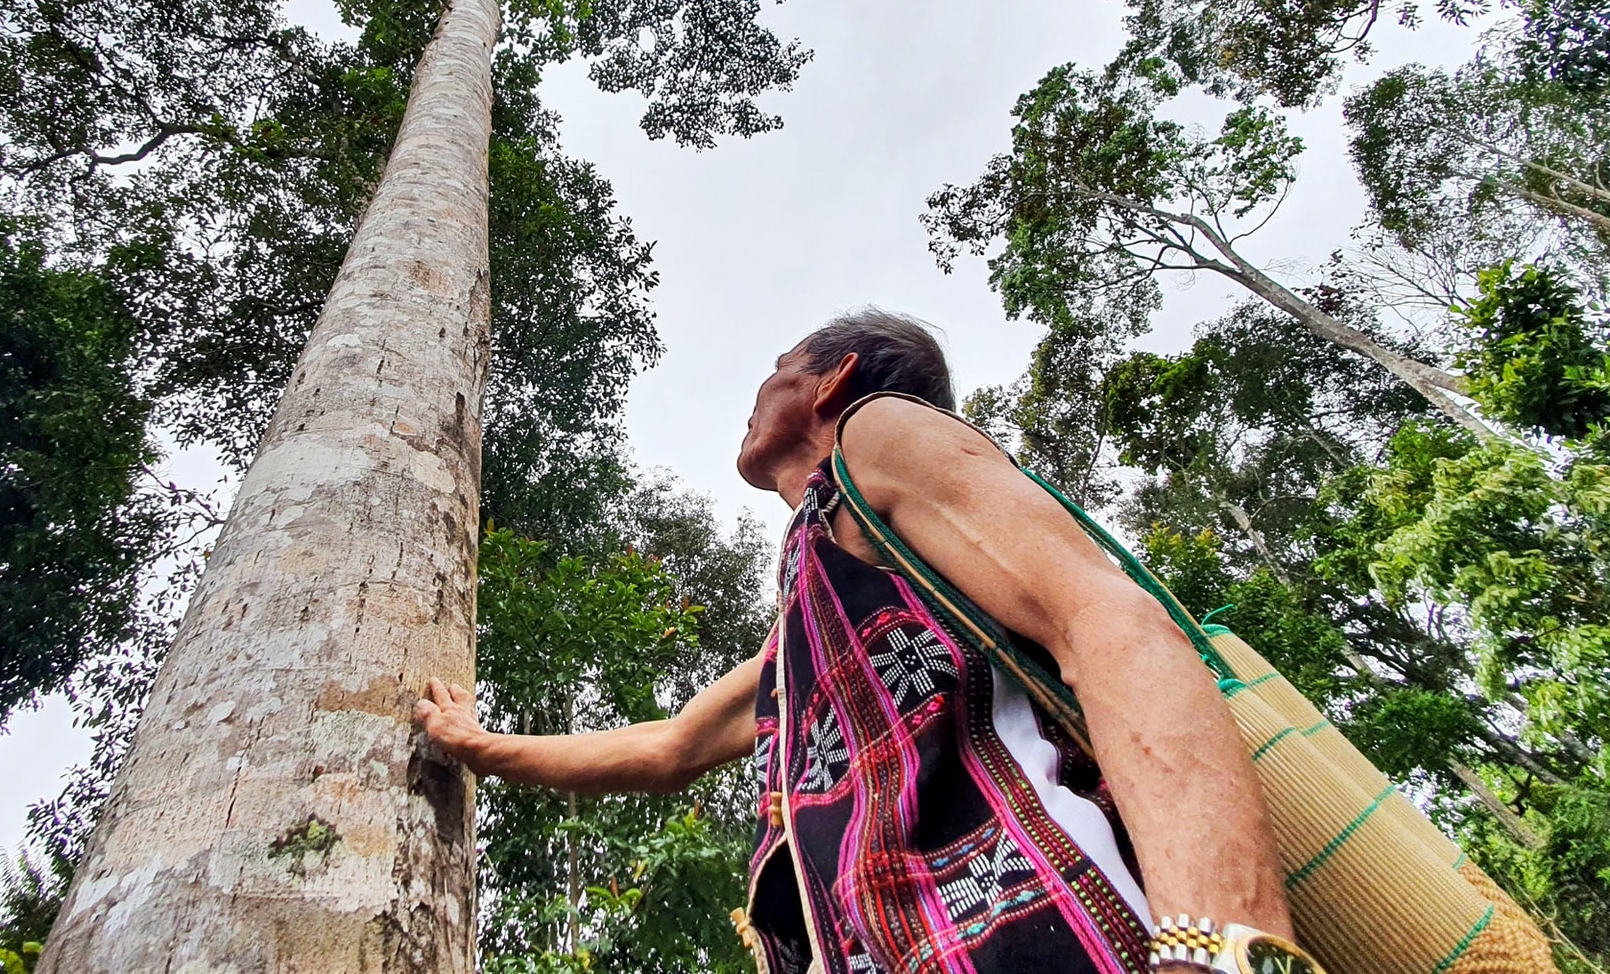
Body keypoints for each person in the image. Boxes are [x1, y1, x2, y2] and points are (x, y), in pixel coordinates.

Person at [416, 309, 1295, 974]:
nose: (758, 389)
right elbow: (672, 745)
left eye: (777, 369)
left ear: (830, 381)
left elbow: (1105, 617)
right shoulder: (816, 605)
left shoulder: (880, 434)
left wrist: (1223, 945)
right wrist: (479, 747)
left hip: (1039, 921)